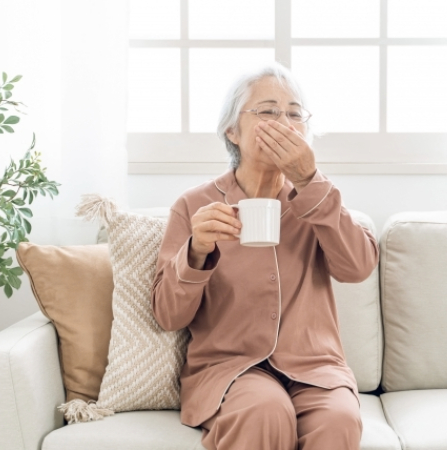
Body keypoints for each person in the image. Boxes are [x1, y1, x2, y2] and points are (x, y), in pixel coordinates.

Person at [151, 61, 379, 450]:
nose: (284, 122)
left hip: (315, 368)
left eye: (294, 114)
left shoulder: (317, 199)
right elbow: (168, 314)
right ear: (232, 131)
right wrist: (197, 250)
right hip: (229, 370)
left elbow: (357, 268)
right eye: (268, 111)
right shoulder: (195, 205)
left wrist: (310, 182)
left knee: (339, 420)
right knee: (264, 411)